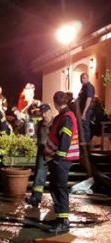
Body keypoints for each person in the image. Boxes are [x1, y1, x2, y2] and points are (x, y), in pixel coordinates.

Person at [44, 91, 79, 234]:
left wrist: (58, 158)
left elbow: (66, 138)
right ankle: (60, 218)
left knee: (60, 188)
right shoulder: (64, 116)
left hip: (61, 159)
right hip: (58, 159)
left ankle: (63, 221)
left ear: (55, 103)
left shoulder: (66, 117)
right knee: (56, 187)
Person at [26, 103, 53, 207]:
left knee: (55, 177)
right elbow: (34, 136)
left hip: (53, 152)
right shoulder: (40, 124)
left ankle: (58, 200)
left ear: (50, 111)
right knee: (39, 176)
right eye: (42, 113)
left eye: (45, 112)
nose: (44, 115)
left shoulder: (55, 123)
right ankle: (35, 198)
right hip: (42, 151)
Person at [77, 72, 95, 144]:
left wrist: (84, 112)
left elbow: (89, 99)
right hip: (82, 110)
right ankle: (83, 145)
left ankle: (86, 146)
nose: (82, 80)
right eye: (81, 78)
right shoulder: (83, 87)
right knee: (83, 127)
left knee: (85, 127)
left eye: (84, 78)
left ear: (87, 78)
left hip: (87, 111)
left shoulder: (89, 87)